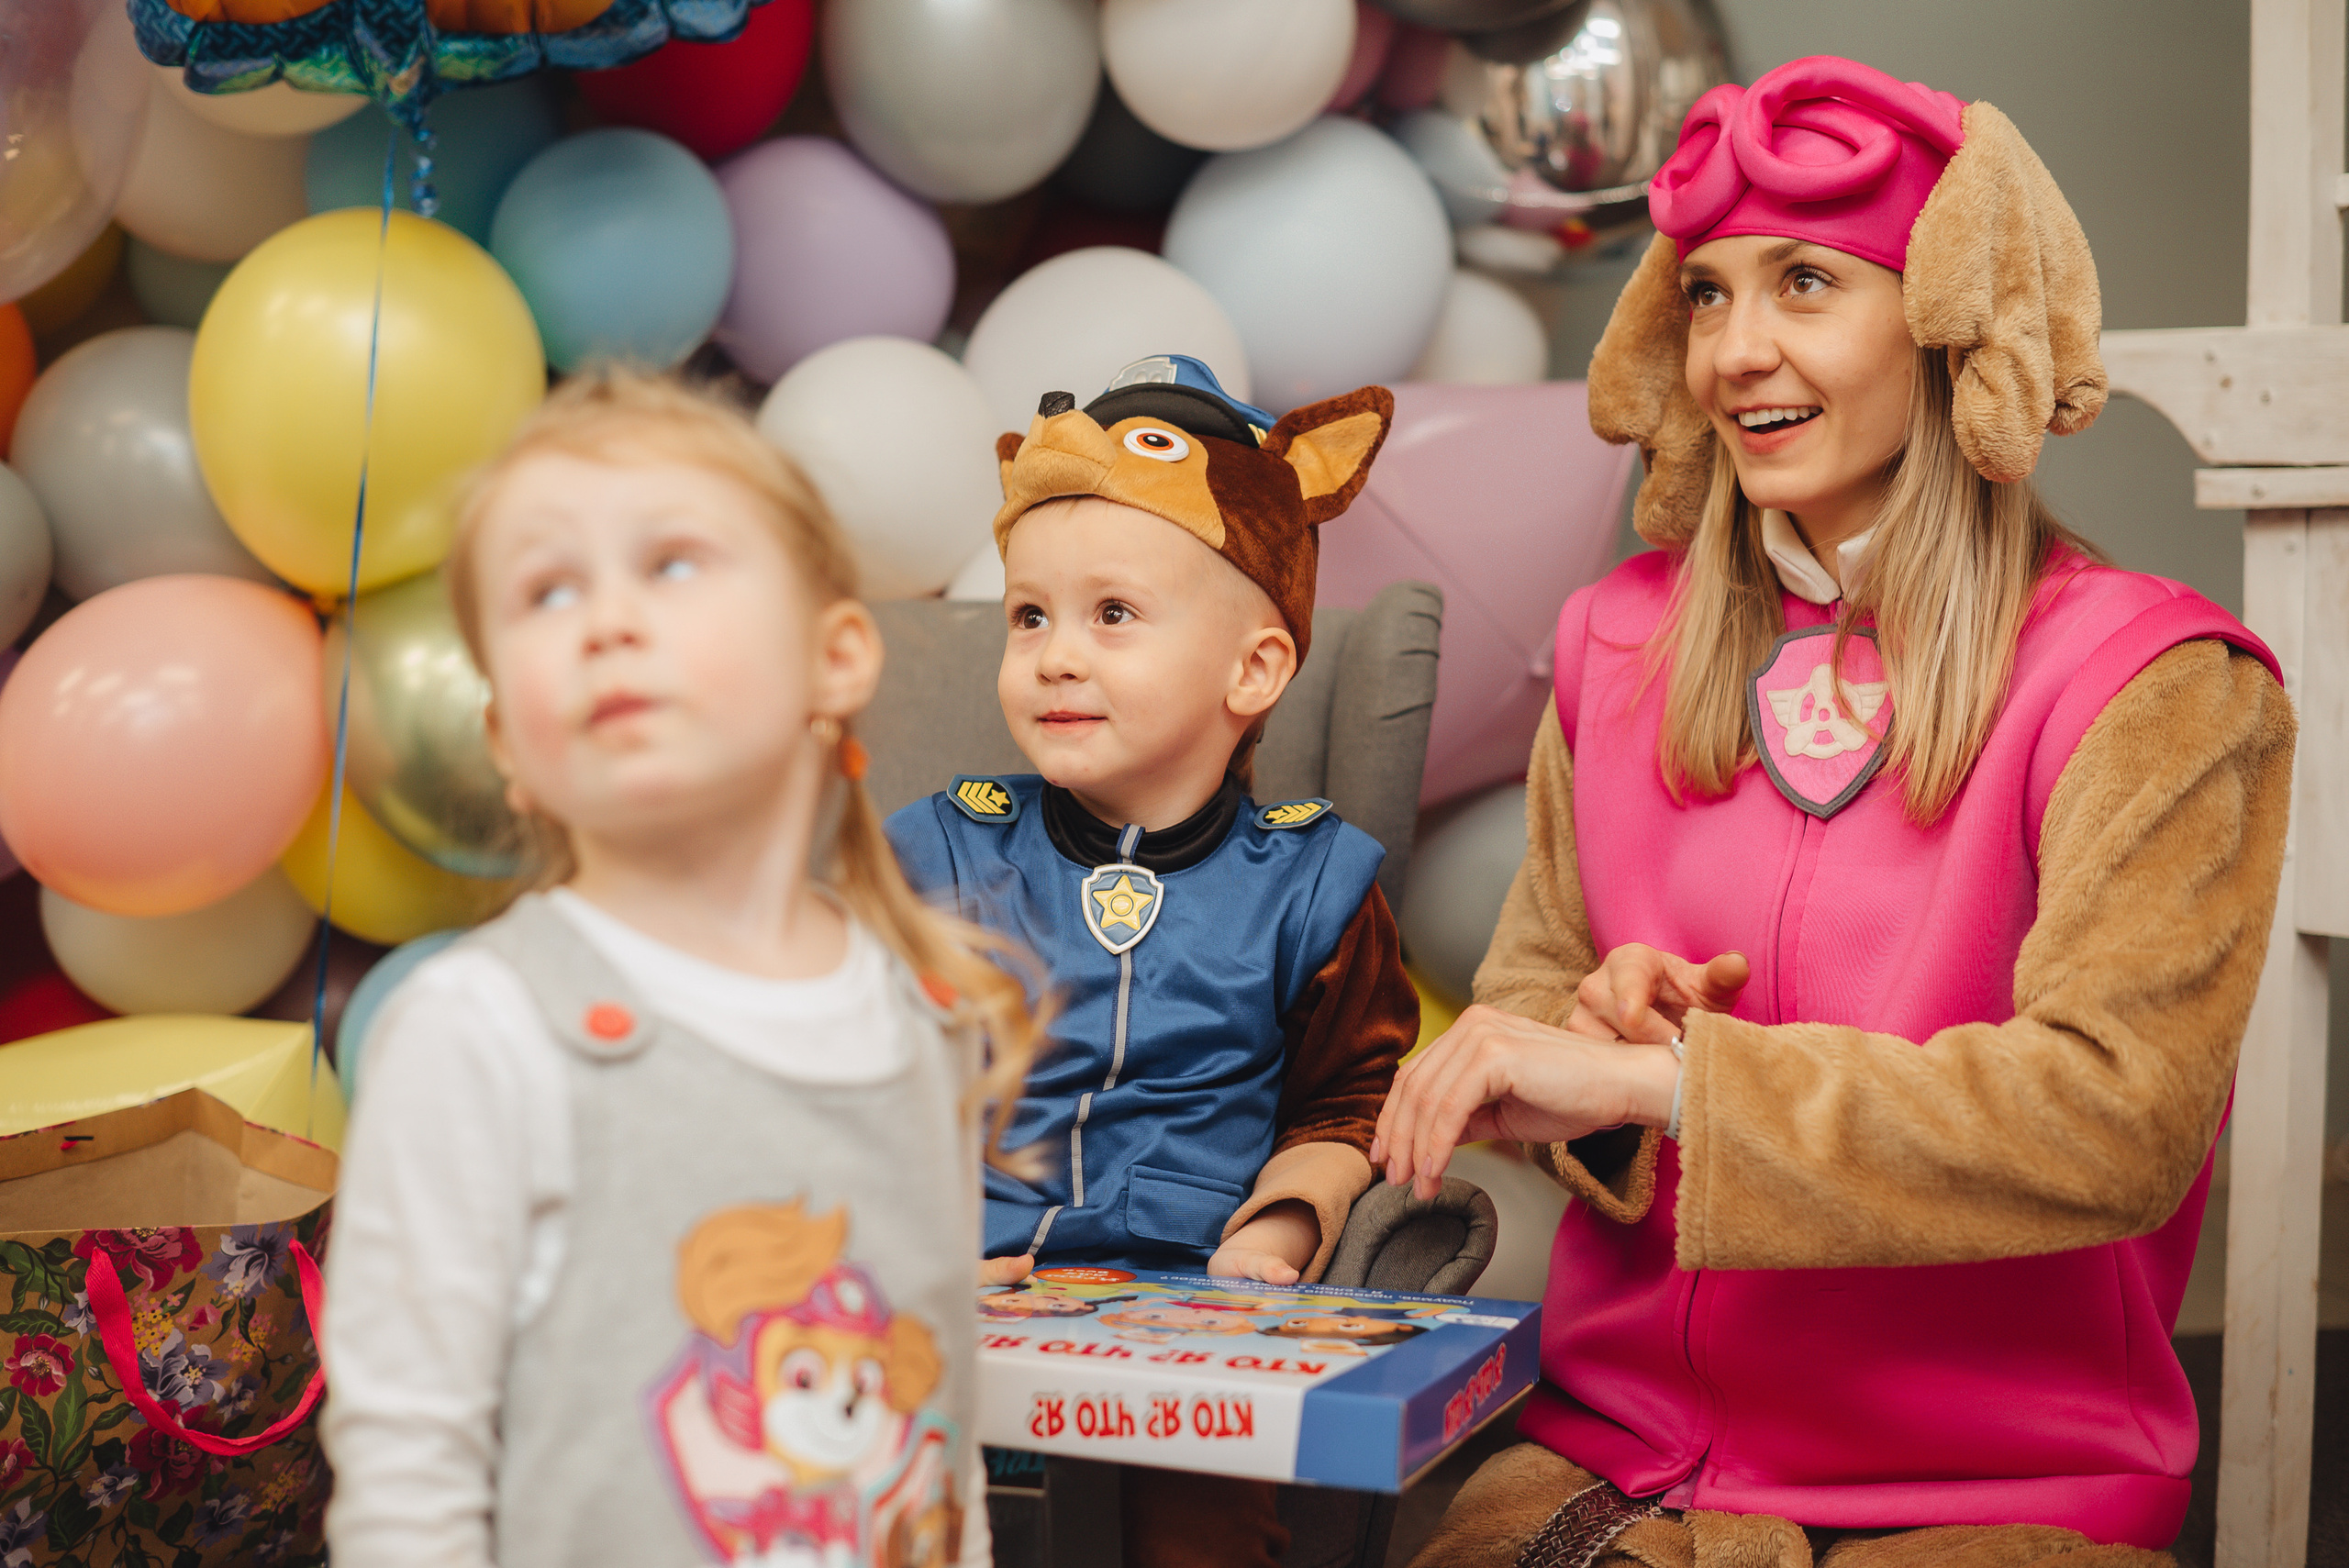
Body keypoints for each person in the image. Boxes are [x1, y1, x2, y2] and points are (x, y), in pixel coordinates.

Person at [1375, 56, 2295, 1568]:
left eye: (1805, 281)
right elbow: (1538, 994)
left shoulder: (2159, 683)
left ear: (1950, 322)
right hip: (1625, 1463)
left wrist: (1682, 1089)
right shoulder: (1614, 644)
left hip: (2004, 1489)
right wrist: (1589, 1048)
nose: (1737, 350)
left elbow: (2118, 1115)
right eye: (1711, 295)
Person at [320, 370, 1041, 1568]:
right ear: (508, 741)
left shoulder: (920, 1011)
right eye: (546, 589)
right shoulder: (483, 1028)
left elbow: (936, 1432)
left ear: (836, 654)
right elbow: (407, 1474)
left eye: (670, 563)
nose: (605, 619)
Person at [885, 355, 1420, 1568]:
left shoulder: (1313, 883)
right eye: (1031, 617)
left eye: (1112, 615)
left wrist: (1273, 1237)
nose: (1056, 655)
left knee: (1204, 1529)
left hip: (1192, 1308)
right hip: (960, 1286)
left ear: (1255, 670)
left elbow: (1350, 1098)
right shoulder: (941, 853)